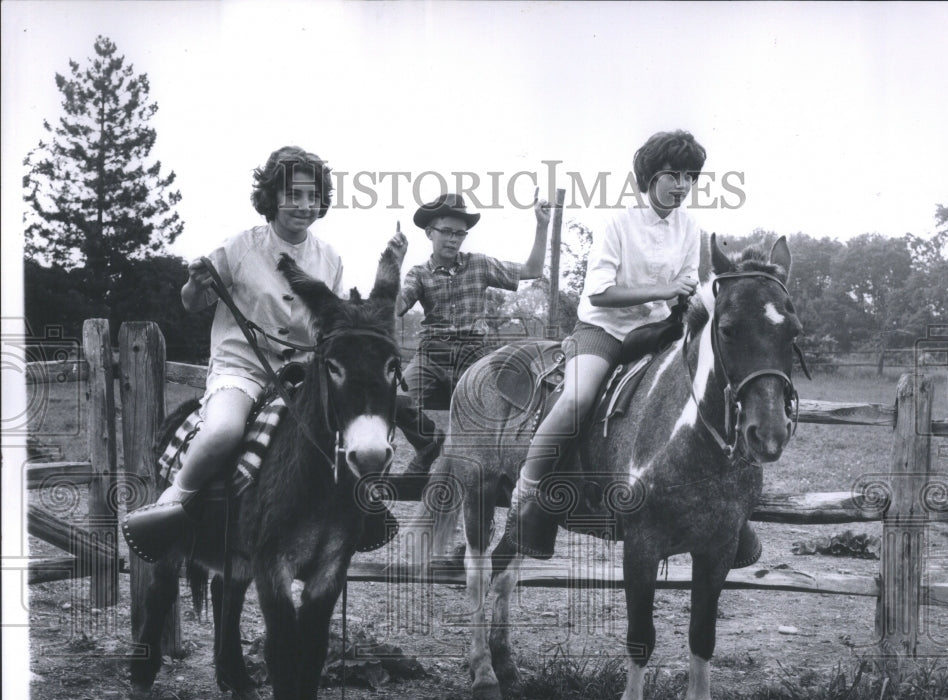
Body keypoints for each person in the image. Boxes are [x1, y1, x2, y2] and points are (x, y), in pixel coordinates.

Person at [148, 145, 407, 513]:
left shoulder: (330, 258)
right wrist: (195, 284)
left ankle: (350, 518)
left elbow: (331, 324)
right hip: (242, 370)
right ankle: (175, 500)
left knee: (348, 423)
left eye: (312, 196)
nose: (304, 205)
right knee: (223, 431)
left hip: (302, 374)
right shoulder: (239, 247)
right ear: (272, 197)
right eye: (293, 195)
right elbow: (191, 303)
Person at [507, 130, 706, 559]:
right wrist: (665, 288)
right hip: (605, 329)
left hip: (659, 330)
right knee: (578, 398)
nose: (682, 185)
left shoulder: (692, 228)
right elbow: (599, 292)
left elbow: (685, 288)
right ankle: (527, 495)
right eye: (673, 174)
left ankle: (721, 511)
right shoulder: (619, 223)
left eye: (690, 176)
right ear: (649, 177)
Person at [395, 191, 550, 475]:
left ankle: (496, 477)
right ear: (430, 232)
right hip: (432, 353)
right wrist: (393, 263)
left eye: (460, 234)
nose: (454, 239)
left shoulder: (478, 264)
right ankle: (430, 447)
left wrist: (541, 224)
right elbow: (395, 308)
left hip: (473, 355)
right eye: (447, 232)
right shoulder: (418, 274)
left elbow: (533, 269)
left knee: (497, 412)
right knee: (394, 398)